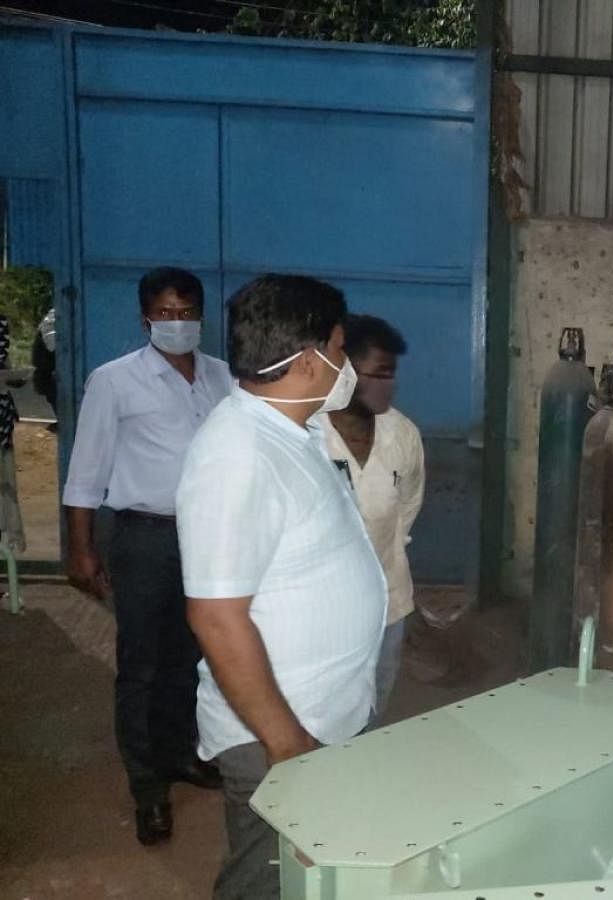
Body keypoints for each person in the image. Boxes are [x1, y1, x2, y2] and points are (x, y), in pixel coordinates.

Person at [177, 275, 387, 899]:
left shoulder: (290, 430)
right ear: (307, 361)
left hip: (321, 715)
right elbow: (216, 617)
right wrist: (287, 743)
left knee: (312, 877)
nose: (346, 365)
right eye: (341, 350)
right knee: (265, 883)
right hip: (281, 732)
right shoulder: (237, 454)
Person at [61, 267, 232, 845]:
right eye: (164, 313)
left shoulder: (223, 379)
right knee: (141, 664)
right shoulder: (114, 382)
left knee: (192, 655)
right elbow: (86, 470)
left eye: (186, 311)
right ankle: (147, 786)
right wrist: (81, 548)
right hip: (144, 537)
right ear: (145, 319)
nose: (176, 322)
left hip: (207, 539)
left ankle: (181, 754)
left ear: (202, 317)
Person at [319, 314, 424, 719]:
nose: (390, 386)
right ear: (343, 371)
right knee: (325, 708)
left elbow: (409, 503)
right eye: (378, 374)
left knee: (374, 703)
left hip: (387, 600)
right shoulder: (308, 433)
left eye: (392, 375)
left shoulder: (403, 435)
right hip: (321, 607)